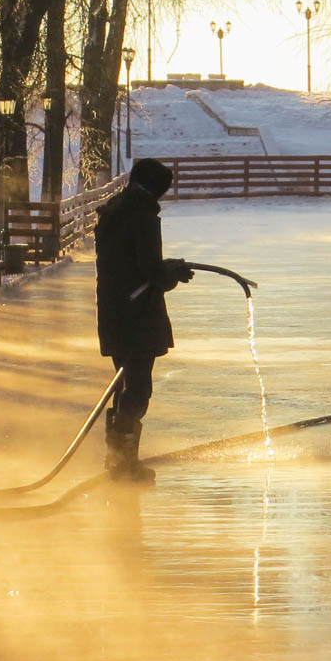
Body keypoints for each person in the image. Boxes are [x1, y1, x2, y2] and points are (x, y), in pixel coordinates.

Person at [94, 158, 193, 483]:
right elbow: (150, 272)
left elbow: (127, 262)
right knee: (138, 389)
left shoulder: (114, 211)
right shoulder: (143, 216)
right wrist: (172, 274)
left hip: (113, 310)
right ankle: (124, 464)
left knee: (124, 383)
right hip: (138, 315)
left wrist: (165, 268)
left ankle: (117, 459)